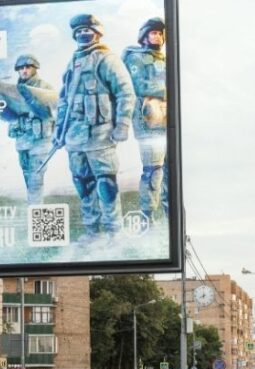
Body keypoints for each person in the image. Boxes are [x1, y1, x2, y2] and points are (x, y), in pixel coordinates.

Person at [54, 14, 136, 244]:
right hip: (74, 137)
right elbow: (63, 102)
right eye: (78, 31)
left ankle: (114, 233)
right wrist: (58, 132)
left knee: (105, 183)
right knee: (83, 183)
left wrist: (122, 125)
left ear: (97, 32)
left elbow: (125, 93)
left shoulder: (107, 59)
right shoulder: (72, 63)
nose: (82, 34)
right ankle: (93, 232)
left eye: (86, 30)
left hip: (101, 135)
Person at [124, 17, 169, 221]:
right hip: (148, 123)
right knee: (153, 171)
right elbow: (139, 85)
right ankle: (147, 217)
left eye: (160, 33)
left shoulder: (165, 60)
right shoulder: (136, 58)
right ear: (144, 36)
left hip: (167, 122)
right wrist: (170, 91)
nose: (157, 36)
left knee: (169, 173)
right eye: (153, 32)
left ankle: (170, 218)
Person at [0, 54, 57, 205]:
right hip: (22, 140)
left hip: (40, 141)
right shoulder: (13, 90)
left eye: (28, 67)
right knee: (27, 177)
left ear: (34, 68)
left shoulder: (44, 88)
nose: (24, 70)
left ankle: (35, 211)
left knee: (35, 179)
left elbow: (52, 112)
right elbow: (8, 114)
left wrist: (31, 99)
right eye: (21, 68)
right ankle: (34, 208)